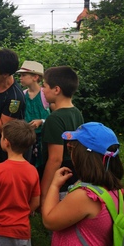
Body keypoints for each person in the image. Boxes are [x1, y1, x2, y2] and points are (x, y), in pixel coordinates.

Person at [42, 122, 124, 246]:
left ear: (84, 155)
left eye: (72, 148)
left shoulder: (85, 196)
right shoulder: (115, 190)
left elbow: (49, 221)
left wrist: (54, 186)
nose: (71, 153)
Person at [0, 120, 40, 246]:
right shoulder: (32, 171)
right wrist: (23, 213)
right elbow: (36, 202)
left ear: (6, 142)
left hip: (0, 230)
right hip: (23, 231)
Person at [39, 66, 84, 206]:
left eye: (44, 86)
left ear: (56, 90)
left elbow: (55, 159)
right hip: (74, 172)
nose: (42, 90)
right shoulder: (76, 112)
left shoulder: (55, 119)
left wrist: (43, 194)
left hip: (60, 178)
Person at [17, 61, 50, 171]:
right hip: (26, 139)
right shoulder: (23, 94)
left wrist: (41, 121)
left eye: (24, 75)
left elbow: (54, 116)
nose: (20, 78)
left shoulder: (45, 94)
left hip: (43, 139)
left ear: (35, 77)